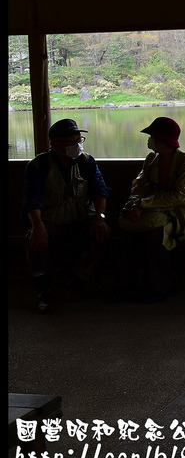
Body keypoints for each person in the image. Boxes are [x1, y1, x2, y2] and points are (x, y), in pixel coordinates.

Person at [22, 118, 112, 313]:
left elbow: (100, 191)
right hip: (51, 222)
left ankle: (78, 283)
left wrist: (99, 217)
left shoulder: (87, 161)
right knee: (34, 240)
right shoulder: (38, 166)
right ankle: (43, 291)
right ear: (55, 144)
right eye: (72, 141)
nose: (77, 145)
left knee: (101, 234)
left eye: (79, 140)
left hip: (81, 219)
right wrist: (38, 227)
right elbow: (32, 201)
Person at [117, 117, 185, 302]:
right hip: (154, 210)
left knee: (156, 234)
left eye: (152, 136)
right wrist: (135, 203)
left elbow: (179, 196)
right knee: (128, 232)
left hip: (184, 213)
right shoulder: (152, 159)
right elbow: (139, 184)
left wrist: (145, 204)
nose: (149, 140)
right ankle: (129, 286)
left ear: (162, 140)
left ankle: (161, 287)